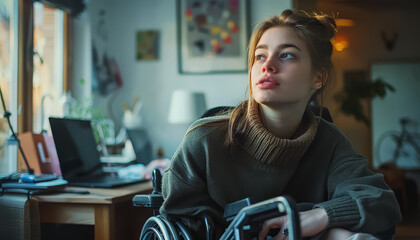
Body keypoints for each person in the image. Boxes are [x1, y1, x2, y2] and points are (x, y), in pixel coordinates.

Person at [160, 9, 402, 240]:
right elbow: (183, 223)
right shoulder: (202, 141)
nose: (267, 66)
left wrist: (317, 216)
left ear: (318, 77)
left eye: (286, 55)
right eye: (260, 56)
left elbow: (381, 202)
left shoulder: (330, 142)